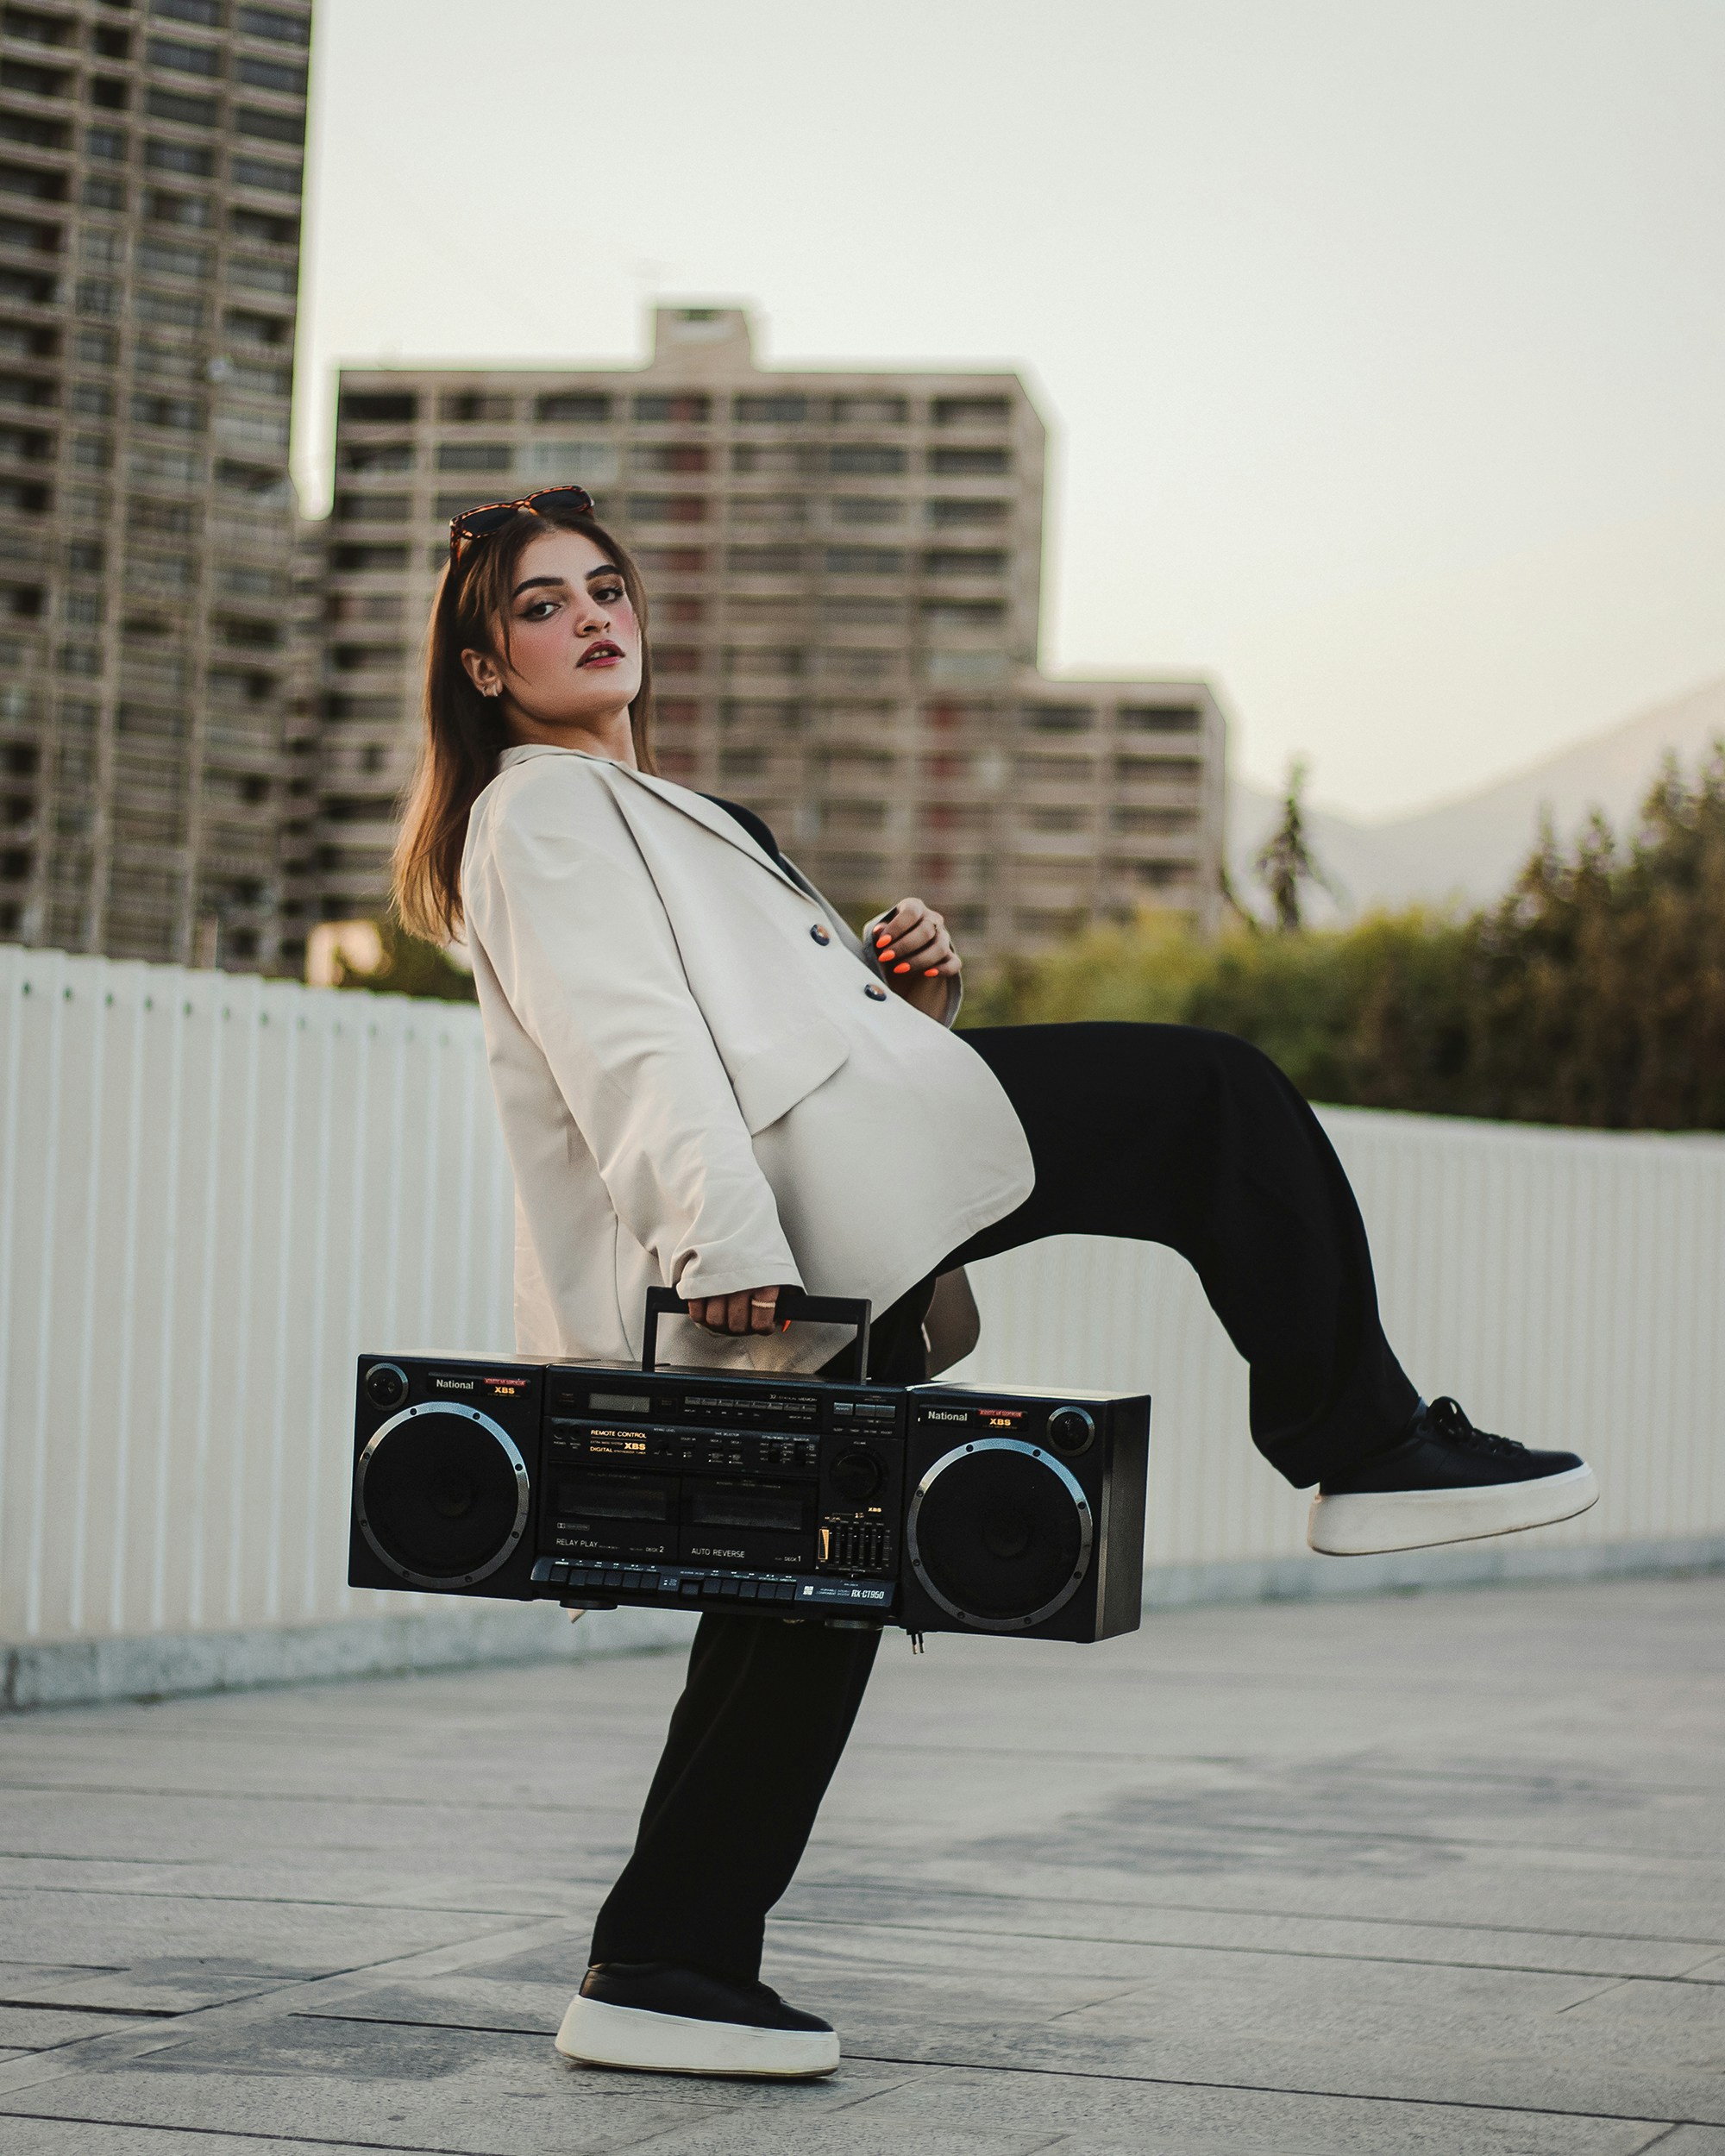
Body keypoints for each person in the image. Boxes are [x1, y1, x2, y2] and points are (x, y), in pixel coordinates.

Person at [393, 486, 1598, 2082]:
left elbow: (752, 1026)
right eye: (543, 606)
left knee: (807, 1598)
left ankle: (665, 1960)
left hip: (824, 1199)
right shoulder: (537, 813)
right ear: (484, 667)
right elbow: (632, 1045)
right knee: (1208, 1102)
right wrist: (721, 1244)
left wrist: (908, 1002)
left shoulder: (669, 811)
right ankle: (1361, 1445)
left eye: (606, 587)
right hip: (776, 1239)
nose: (594, 618)